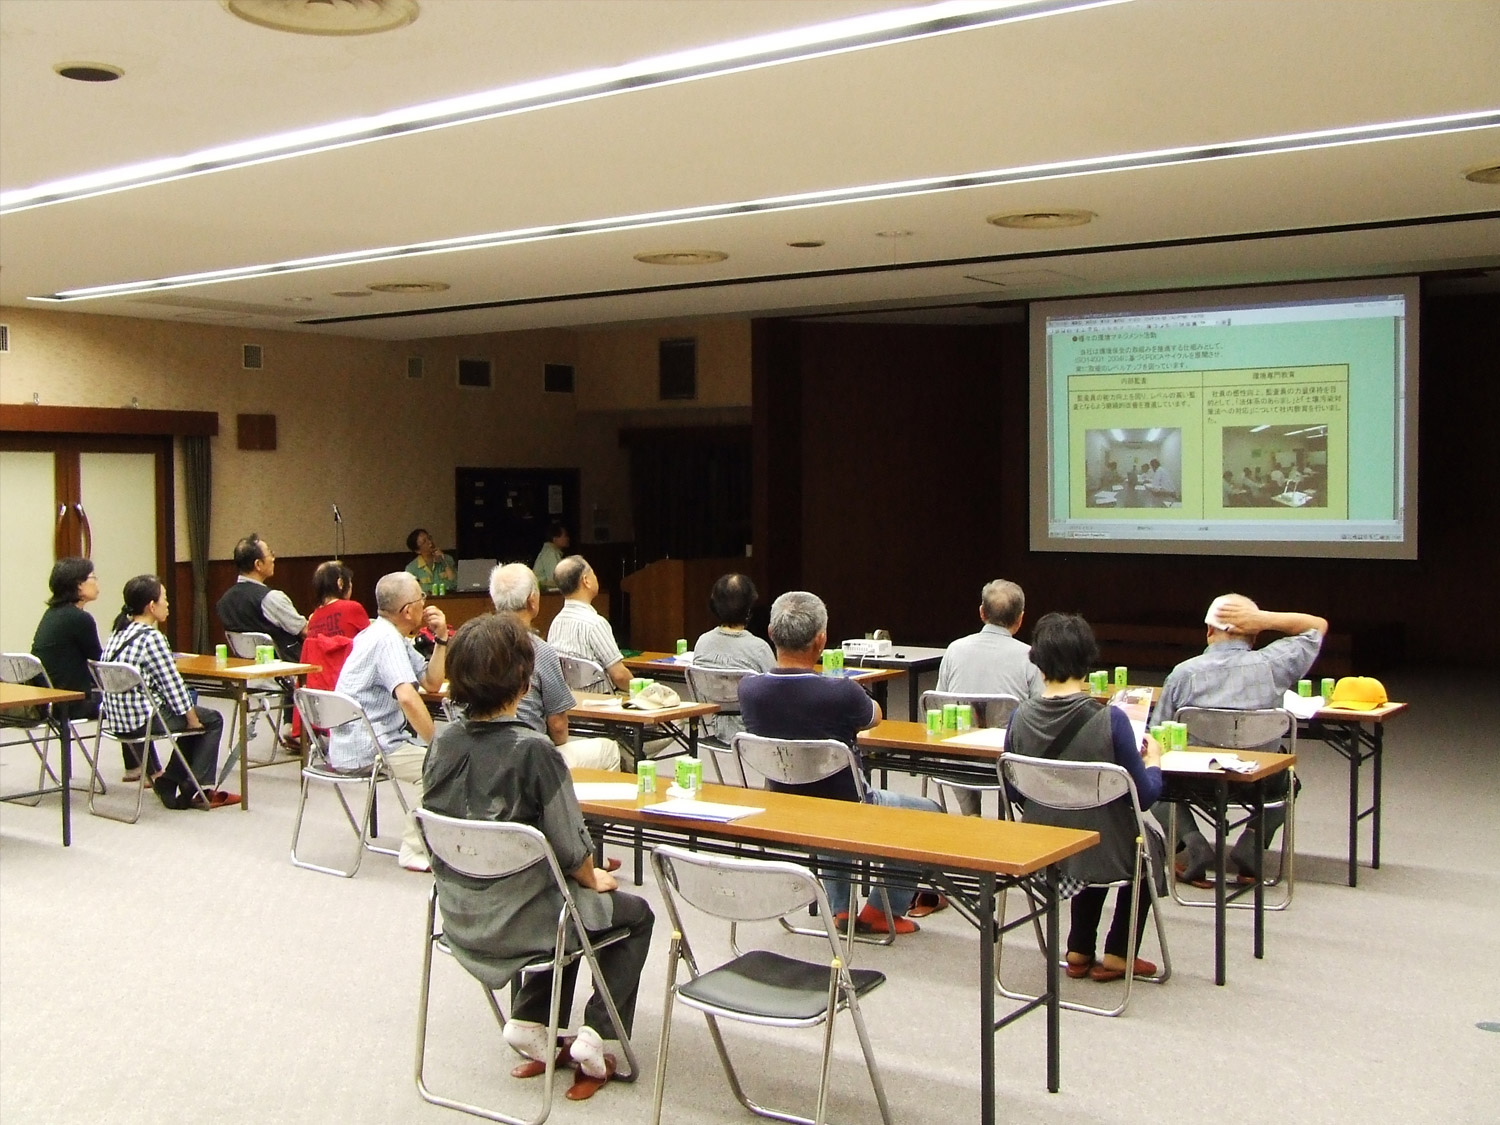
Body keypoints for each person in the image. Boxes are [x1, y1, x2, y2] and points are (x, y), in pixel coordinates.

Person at [423, 613, 653, 1099]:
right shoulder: (535, 751)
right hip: (528, 919)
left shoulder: (441, 742)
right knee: (629, 914)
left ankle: (529, 1019)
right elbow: (572, 850)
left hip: (460, 912)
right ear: (526, 683)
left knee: (563, 900)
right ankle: (598, 1035)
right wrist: (595, 878)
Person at [738, 591, 943, 935]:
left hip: (782, 804)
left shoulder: (749, 690)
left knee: (826, 800)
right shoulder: (841, 693)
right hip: (845, 807)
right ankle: (882, 910)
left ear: (771, 634)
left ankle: (841, 910)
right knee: (927, 813)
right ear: (821, 641)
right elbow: (874, 716)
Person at [1006, 613, 1163, 982]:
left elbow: (1015, 791)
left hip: (1043, 845)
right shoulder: (1112, 721)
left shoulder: (1019, 717)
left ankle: (1078, 949)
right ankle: (1118, 953)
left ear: (1037, 659)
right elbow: (1143, 797)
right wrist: (1154, 763)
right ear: (1088, 660)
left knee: (1085, 824)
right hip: (1101, 846)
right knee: (1146, 842)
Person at [1154, 594, 1327, 884]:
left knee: (1152, 773)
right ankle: (1252, 845)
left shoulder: (1184, 674)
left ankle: (1191, 842)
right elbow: (1317, 626)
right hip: (1260, 782)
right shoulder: (1274, 664)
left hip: (1194, 783)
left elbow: (1158, 735)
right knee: (1289, 780)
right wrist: (1267, 619)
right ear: (1256, 635)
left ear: (1209, 630)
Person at [328, 572, 448, 871]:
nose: (425, 603)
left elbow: (431, 683)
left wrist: (442, 638)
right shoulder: (386, 640)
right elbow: (407, 697)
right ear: (408, 610)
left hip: (353, 741)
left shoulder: (383, 632)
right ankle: (413, 850)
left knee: (441, 762)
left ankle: (429, 840)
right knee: (442, 767)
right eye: (422, 597)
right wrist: (438, 743)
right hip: (368, 746)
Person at [100, 575, 233, 809]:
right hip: (143, 718)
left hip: (117, 719)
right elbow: (173, 687)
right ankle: (196, 789)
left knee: (192, 719)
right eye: (165, 598)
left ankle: (170, 781)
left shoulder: (117, 633)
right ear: (152, 606)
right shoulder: (152, 638)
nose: (168, 603)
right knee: (210, 720)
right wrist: (192, 720)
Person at [488, 563, 621, 772]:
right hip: (529, 756)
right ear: (532, 600)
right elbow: (558, 728)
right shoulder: (539, 650)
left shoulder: (475, 643)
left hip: (482, 751)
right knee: (610, 750)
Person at [934, 578, 1042, 817]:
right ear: (1020, 619)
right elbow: (1040, 712)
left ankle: (970, 816)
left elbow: (938, 705)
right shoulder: (1030, 657)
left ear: (982, 613)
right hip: (1010, 765)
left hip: (957, 759)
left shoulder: (954, 650)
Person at [691, 573, 774, 744]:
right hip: (756, 732)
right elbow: (776, 691)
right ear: (749, 608)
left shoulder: (702, 642)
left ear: (714, 605)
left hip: (717, 728)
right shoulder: (759, 648)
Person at [30, 556, 103, 724]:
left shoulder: (51, 614)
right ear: (78, 584)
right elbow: (100, 663)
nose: (97, 583)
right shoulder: (79, 618)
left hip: (47, 701)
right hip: (72, 703)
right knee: (135, 702)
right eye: (93, 577)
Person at [217, 533, 307, 662]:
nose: (273, 559)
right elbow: (305, 631)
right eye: (270, 553)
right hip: (285, 670)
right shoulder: (271, 598)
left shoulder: (223, 602)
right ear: (258, 564)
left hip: (246, 671)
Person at [546, 556, 630, 693]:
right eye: (594, 574)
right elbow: (619, 676)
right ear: (586, 581)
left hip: (568, 704)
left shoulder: (555, 623)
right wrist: (643, 691)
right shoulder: (595, 624)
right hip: (601, 704)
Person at [304, 561, 370, 640]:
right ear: (340, 583)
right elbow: (371, 642)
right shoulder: (353, 608)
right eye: (349, 583)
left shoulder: (313, 619)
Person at [405, 528, 457, 595]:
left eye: (429, 538)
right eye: (424, 542)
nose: (430, 542)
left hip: (448, 599)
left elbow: (456, 584)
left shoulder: (447, 559)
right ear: (418, 551)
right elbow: (411, 592)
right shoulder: (412, 568)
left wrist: (444, 562)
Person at [533, 522, 570, 587]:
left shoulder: (552, 551)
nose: (567, 538)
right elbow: (554, 579)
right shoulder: (550, 553)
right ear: (555, 539)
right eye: (565, 536)